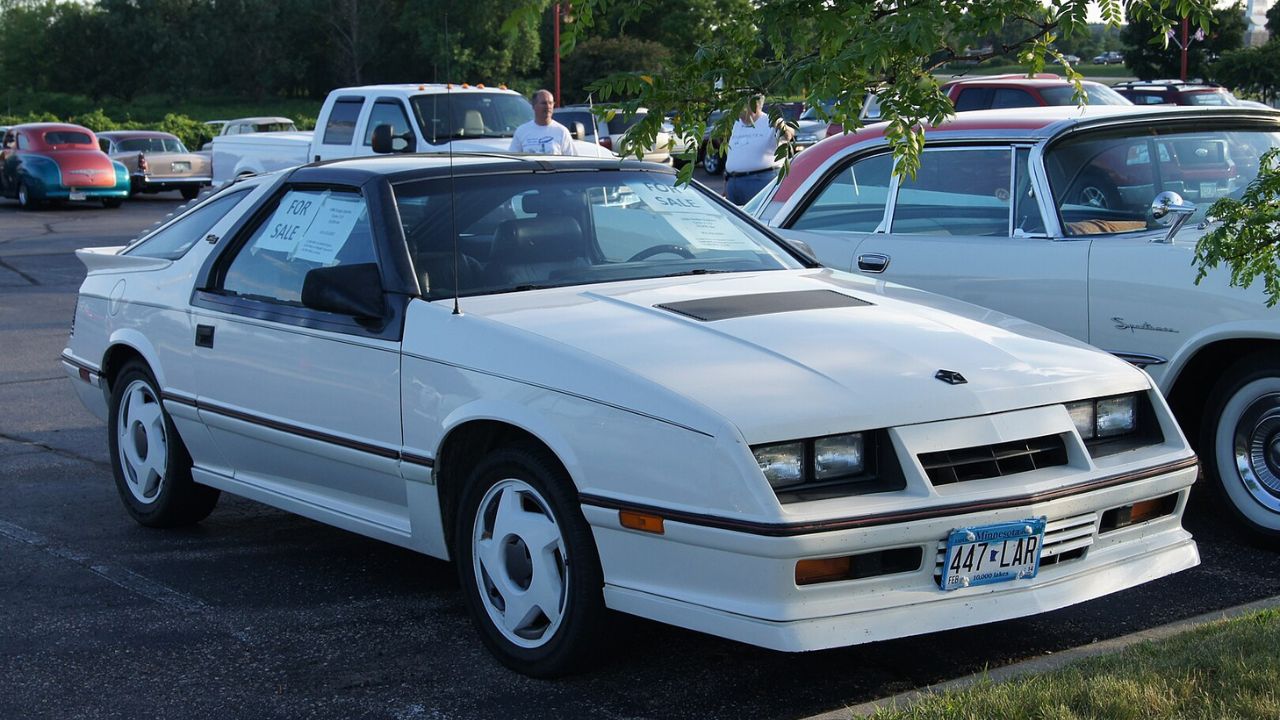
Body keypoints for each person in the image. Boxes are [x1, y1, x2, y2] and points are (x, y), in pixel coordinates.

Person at [723, 95, 794, 205]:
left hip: (761, 180)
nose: (737, 109)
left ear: (755, 105)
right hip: (734, 181)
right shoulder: (737, 124)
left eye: (742, 105)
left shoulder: (770, 121)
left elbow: (789, 135)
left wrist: (783, 127)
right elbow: (734, 154)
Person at [509, 89, 578, 156]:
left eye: (550, 103)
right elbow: (513, 160)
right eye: (544, 103)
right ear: (533, 106)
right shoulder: (521, 131)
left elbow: (572, 160)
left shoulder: (562, 131)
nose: (548, 107)